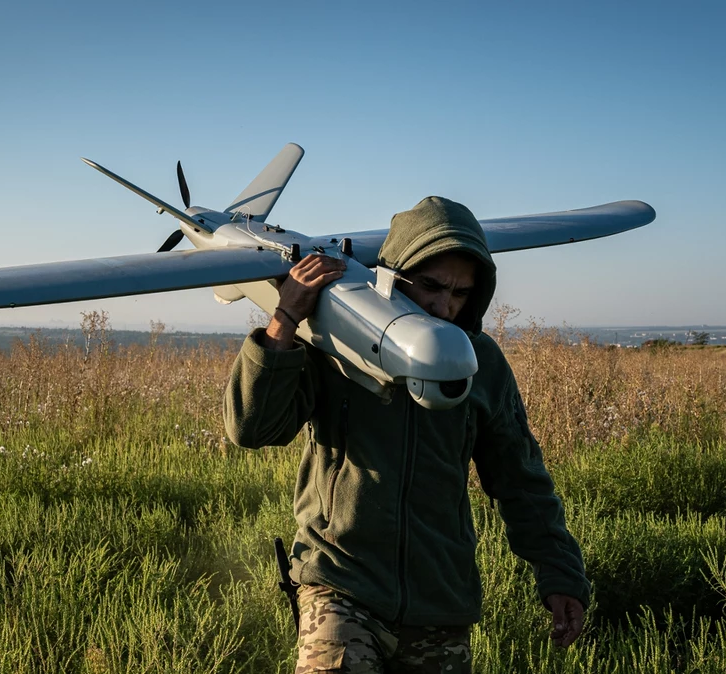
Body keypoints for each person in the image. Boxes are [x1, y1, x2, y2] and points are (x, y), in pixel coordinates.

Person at [224, 197, 590, 673]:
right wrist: (285, 320)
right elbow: (252, 429)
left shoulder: (479, 364)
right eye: (432, 286)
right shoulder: (338, 343)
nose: (444, 305)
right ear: (394, 276)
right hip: (341, 583)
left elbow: (520, 477)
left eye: (461, 293)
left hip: (440, 601)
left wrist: (560, 573)